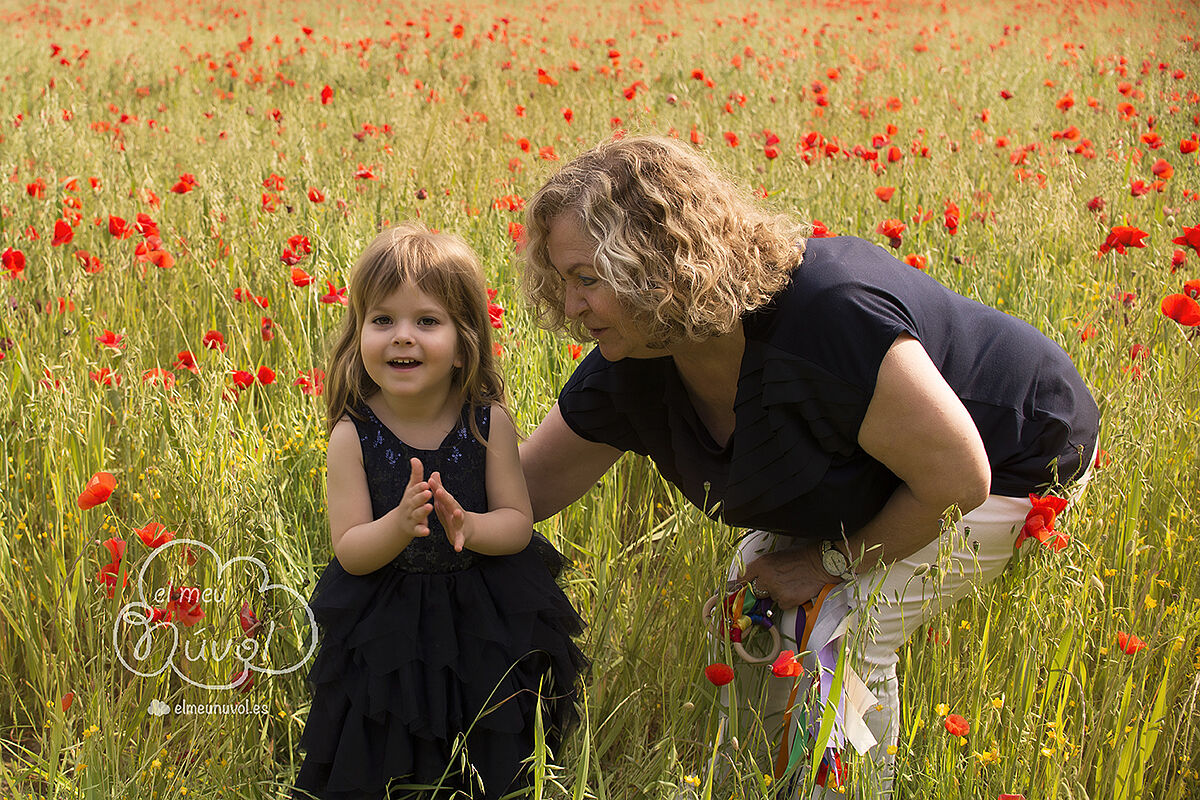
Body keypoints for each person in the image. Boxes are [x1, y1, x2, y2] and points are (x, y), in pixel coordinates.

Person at [517, 135, 1099, 790]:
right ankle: (777, 779)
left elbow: (957, 478)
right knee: (753, 609)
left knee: (834, 625)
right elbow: (521, 495)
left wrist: (826, 563)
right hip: (873, 473)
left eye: (587, 279)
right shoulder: (634, 366)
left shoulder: (827, 319)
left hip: (1012, 456)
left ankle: (845, 789)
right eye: (563, 281)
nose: (569, 308)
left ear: (656, 261)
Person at [293, 223, 587, 800]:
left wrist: (469, 526)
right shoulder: (353, 435)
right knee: (387, 734)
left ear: (464, 341)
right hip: (389, 615)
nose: (403, 337)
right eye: (382, 320)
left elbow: (517, 523)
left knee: (491, 736)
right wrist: (397, 526)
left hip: (484, 610)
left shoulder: (486, 423)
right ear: (358, 336)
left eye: (427, 321)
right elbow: (350, 550)